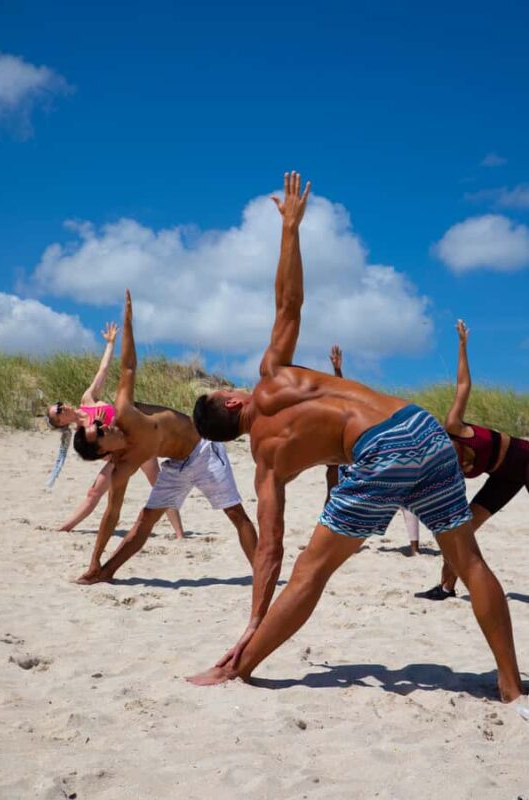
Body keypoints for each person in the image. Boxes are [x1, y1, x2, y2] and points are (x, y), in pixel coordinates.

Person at [188, 171, 525, 711]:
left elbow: (269, 550)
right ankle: (510, 686)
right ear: (231, 402)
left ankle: (239, 665)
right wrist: (291, 230)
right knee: (468, 560)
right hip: (421, 426)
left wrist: (254, 618)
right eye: (225, 388)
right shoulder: (273, 374)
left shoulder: (267, 463)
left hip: (381, 451)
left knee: (312, 571)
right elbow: (289, 303)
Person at [72, 290, 258, 585]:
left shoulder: (124, 411)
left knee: (235, 513)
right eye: (100, 433)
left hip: (203, 450)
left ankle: (263, 573)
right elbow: (111, 514)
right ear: (101, 451)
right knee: (144, 521)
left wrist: (128, 323)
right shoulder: (123, 465)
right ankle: (103, 571)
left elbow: (129, 366)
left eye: (99, 425)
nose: (104, 426)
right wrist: (94, 556)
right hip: (177, 467)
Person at [418, 320, 529, 600]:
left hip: (525, 459)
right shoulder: (443, 468)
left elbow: (463, 384)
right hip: (503, 477)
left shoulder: (453, 426)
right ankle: (446, 587)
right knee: (462, 531)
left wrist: (462, 346)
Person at [46, 322, 184, 538]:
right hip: (119, 455)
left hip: (137, 440)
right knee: (94, 493)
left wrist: (110, 343)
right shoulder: (84, 436)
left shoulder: (87, 400)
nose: (63, 407)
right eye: (59, 412)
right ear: (62, 423)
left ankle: (179, 534)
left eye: (60, 404)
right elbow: (99, 454)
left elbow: (103, 371)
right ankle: (64, 528)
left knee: (157, 484)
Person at [328, 345, 421, 556]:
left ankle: (414, 548)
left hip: (374, 455)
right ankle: (412, 549)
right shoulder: (359, 411)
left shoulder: (378, 414)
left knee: (399, 500)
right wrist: (337, 371)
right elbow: (343, 395)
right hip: (361, 455)